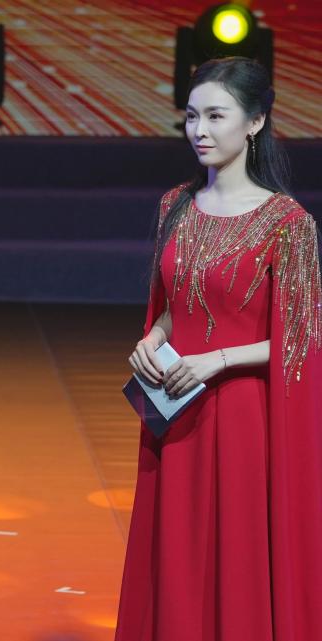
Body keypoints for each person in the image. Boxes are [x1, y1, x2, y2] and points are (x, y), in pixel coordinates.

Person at [117, 57, 322, 640]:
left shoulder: (289, 223)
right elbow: (175, 303)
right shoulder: (175, 205)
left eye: (215, 116)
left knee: (238, 555)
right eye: (191, 116)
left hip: (243, 419)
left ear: (255, 122)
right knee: (177, 553)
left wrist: (221, 360)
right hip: (177, 408)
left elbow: (302, 342)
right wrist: (153, 337)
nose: (199, 131)